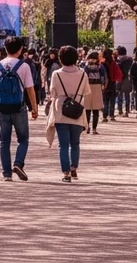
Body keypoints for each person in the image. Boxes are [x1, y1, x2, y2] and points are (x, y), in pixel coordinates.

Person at [0, 37, 37, 181]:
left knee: (4, 142)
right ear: (21, 49)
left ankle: (6, 173)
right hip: (18, 107)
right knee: (23, 139)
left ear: (5, 48)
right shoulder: (24, 66)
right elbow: (30, 89)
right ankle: (18, 163)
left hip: (3, 107)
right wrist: (34, 108)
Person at [47, 45, 89, 182]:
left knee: (63, 144)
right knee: (75, 143)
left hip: (61, 111)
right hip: (77, 109)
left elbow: (52, 93)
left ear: (60, 58)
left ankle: (66, 173)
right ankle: (74, 169)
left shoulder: (56, 74)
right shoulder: (83, 74)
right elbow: (86, 92)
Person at [82, 51, 106, 134]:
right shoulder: (87, 67)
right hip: (90, 87)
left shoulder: (99, 67)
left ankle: (93, 128)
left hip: (95, 87)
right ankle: (88, 127)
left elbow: (104, 76)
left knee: (95, 109)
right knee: (88, 109)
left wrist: (103, 84)